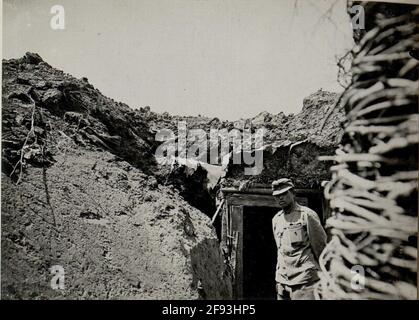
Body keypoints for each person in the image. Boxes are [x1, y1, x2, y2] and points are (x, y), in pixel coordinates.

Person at [271, 178, 327, 300]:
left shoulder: (307, 215)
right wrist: (279, 279)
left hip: (304, 280)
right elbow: (280, 249)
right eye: (277, 195)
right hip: (282, 279)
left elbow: (320, 246)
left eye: (284, 194)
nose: (280, 198)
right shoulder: (276, 219)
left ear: (293, 193)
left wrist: (325, 273)